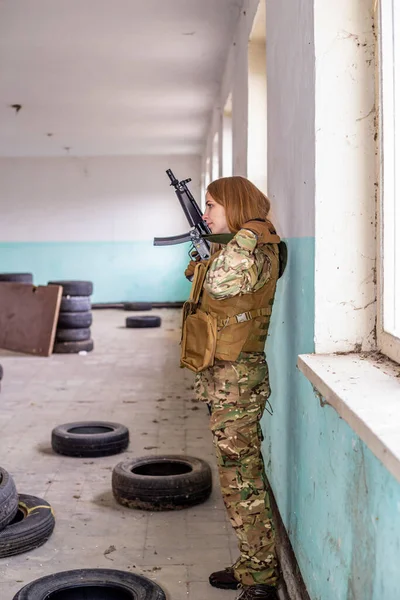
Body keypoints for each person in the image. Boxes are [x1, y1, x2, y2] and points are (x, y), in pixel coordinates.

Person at [181, 176, 283, 600]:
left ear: (236, 207)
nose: (206, 214)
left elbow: (220, 285)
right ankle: (250, 564)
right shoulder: (238, 248)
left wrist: (239, 236)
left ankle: (260, 578)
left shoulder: (254, 247)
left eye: (212, 205)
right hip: (227, 378)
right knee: (235, 474)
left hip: (238, 381)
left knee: (242, 479)